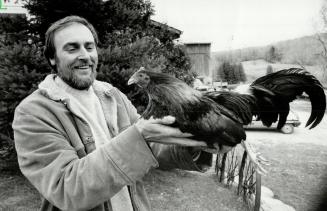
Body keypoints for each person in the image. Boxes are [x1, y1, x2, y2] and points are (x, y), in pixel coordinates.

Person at [12, 15, 229, 211]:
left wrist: (195, 145)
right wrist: (138, 136)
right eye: (72, 48)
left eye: (89, 47)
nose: (85, 55)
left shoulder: (112, 95)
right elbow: (67, 190)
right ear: (52, 58)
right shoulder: (33, 113)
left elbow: (153, 146)